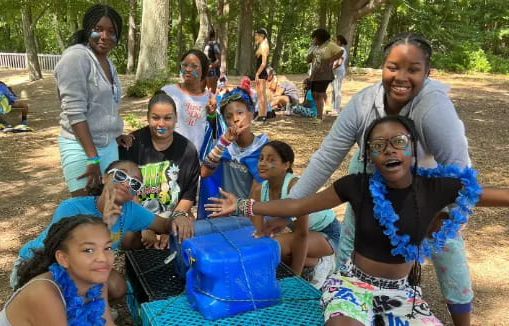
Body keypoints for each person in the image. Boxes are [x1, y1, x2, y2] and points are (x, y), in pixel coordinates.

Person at [207, 115, 509, 325]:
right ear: (370, 155)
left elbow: (496, 195)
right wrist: (243, 205)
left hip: (403, 292)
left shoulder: (436, 188)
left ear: (413, 148)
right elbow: (298, 203)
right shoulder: (356, 185)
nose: (389, 149)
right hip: (353, 285)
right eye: (378, 145)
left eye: (398, 141)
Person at [289, 33, 476, 325]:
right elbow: (327, 156)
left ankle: (462, 320)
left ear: (427, 73)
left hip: (425, 178)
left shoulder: (435, 108)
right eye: (393, 67)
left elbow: (461, 173)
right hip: (371, 169)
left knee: (447, 246)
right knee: (354, 235)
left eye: (413, 69)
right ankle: (348, 299)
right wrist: (291, 204)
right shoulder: (364, 103)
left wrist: (447, 216)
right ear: (382, 67)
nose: (401, 77)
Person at [10, 160, 193, 300]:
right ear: (104, 177)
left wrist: (180, 217)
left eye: (135, 184)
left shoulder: (130, 210)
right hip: (38, 267)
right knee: (75, 293)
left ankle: (92, 308)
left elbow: (164, 225)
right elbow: (61, 259)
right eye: (120, 176)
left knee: (117, 287)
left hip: (85, 268)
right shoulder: (71, 209)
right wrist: (104, 224)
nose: (126, 184)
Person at [54, 4, 133, 197]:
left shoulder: (108, 62)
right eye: (98, 29)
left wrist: (114, 133)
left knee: (108, 207)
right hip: (81, 148)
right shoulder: (76, 58)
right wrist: (92, 158)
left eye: (111, 31)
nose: (105, 36)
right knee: (85, 211)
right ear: (87, 28)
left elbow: (106, 106)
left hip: (107, 147)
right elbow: (74, 112)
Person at [0, 215, 116, 325]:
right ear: (63, 258)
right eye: (88, 250)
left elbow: (107, 322)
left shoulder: (97, 278)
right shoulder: (43, 293)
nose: (102, 258)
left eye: (108, 248)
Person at [249, 140, 340, 289]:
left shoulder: (295, 187)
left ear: (286, 165)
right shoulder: (259, 190)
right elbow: (258, 233)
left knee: (275, 246)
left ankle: (323, 262)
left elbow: (301, 235)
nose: (263, 163)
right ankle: (313, 262)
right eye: (261, 158)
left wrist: (295, 278)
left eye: (271, 160)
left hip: (328, 234)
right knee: (266, 247)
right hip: (306, 235)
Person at [119, 91, 199, 245]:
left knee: (188, 226)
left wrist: (171, 226)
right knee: (128, 237)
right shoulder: (132, 145)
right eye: (155, 118)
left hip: (172, 214)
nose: (161, 124)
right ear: (148, 117)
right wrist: (145, 224)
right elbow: (127, 192)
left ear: (176, 118)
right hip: (138, 214)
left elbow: (188, 196)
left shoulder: (188, 150)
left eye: (167, 118)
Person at [201, 87, 268, 200]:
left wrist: (238, 207)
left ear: (251, 114)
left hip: (252, 213)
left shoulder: (263, 149)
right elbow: (204, 173)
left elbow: (262, 191)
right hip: (223, 212)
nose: (235, 119)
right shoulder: (222, 145)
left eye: (240, 113)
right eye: (228, 116)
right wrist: (223, 143)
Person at [161, 49, 215, 157]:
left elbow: (212, 128)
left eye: (194, 66)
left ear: (203, 70)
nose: (188, 69)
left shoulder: (209, 98)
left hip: (196, 158)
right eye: (184, 65)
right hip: (169, 155)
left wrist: (212, 114)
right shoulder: (168, 92)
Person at [306, 28, 343, 121]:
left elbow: (340, 51)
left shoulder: (330, 45)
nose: (313, 39)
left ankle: (319, 117)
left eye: (315, 37)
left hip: (325, 73)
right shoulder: (315, 47)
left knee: (319, 94)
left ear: (320, 37)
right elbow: (308, 59)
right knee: (314, 94)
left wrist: (332, 59)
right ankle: (317, 114)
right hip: (315, 73)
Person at [254, 28, 270, 122]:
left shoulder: (264, 47)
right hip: (261, 73)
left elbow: (263, 63)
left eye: (257, 35)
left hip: (262, 73)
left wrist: (257, 73)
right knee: (261, 95)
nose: (256, 37)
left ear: (262, 36)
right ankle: (262, 114)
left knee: (261, 95)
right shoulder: (261, 46)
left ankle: (262, 115)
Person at [330, 35, 348, 116]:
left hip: (338, 72)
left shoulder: (342, 50)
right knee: (334, 90)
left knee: (337, 90)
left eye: (335, 40)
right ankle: (333, 108)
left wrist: (332, 68)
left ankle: (337, 109)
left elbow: (339, 63)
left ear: (339, 42)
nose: (333, 41)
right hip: (335, 72)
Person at [204, 29, 221, 94]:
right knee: (207, 93)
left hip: (213, 72)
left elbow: (218, 60)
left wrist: (210, 66)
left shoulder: (215, 45)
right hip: (206, 71)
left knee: (212, 93)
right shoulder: (207, 44)